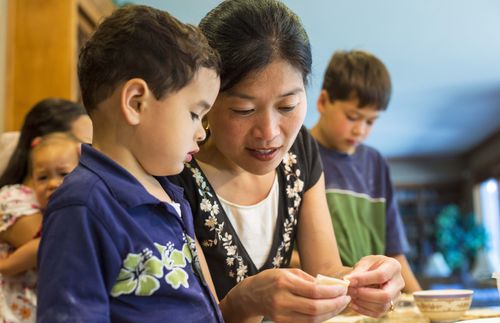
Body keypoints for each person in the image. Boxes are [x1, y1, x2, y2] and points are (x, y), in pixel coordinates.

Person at [170, 1, 405, 322]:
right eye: (243, 110)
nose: (269, 133)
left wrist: (370, 283)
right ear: (206, 100)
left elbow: (326, 272)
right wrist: (245, 302)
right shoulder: (176, 169)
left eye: (287, 106)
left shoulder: (301, 151)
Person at [36, 5, 222, 323]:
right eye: (194, 114)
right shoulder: (84, 205)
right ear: (136, 102)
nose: (202, 133)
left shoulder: (169, 193)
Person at [310, 50, 421, 293]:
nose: (360, 130)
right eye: (352, 117)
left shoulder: (376, 164)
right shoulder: (297, 153)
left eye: (370, 121)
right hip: (318, 302)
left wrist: (423, 305)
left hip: (372, 304)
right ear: (322, 102)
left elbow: (395, 255)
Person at [0, 132, 80, 322]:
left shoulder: (76, 208)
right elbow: (39, 247)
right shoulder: (24, 202)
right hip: (17, 304)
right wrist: (6, 266)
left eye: (63, 174)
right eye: (42, 177)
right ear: (31, 179)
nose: (52, 184)